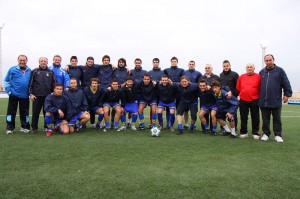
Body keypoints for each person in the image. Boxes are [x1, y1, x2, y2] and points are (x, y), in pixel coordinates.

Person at [259, 54, 292, 143]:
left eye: (270, 60)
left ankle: (278, 135)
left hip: (275, 100)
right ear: (264, 61)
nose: (269, 62)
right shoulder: (261, 72)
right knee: (265, 119)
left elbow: (286, 83)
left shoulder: (280, 71)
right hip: (264, 101)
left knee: (277, 119)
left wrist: (287, 94)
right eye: (267, 60)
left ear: (273, 60)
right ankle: (266, 134)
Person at [4, 55, 31, 134]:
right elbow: (6, 81)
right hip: (14, 95)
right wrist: (9, 91)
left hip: (25, 96)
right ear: (18, 60)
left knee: (25, 112)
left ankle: (24, 126)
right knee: (11, 112)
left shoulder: (29, 70)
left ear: (26, 61)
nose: (22, 61)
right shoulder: (12, 69)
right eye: (21, 60)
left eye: (24, 60)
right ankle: (10, 127)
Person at [29, 57, 56, 133]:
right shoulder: (34, 71)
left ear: (47, 62)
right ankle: (34, 127)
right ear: (39, 62)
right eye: (42, 61)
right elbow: (30, 84)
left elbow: (54, 84)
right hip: (37, 96)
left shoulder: (51, 72)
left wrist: (53, 93)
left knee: (47, 113)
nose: (43, 62)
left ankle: (46, 127)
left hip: (48, 97)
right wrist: (31, 94)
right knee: (35, 113)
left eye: (45, 61)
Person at [236, 63, 261, 139]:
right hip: (243, 100)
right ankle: (244, 132)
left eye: (251, 67)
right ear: (246, 68)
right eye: (248, 67)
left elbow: (260, 88)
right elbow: (238, 88)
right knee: (243, 117)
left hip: (255, 100)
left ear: (254, 68)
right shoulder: (241, 77)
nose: (249, 68)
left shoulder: (258, 76)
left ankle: (255, 132)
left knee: (255, 117)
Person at [219, 60, 239, 134]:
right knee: (222, 113)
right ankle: (224, 129)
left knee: (232, 114)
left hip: (232, 98)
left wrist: (235, 95)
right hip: (223, 98)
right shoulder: (221, 75)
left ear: (230, 66)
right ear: (222, 67)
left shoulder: (234, 74)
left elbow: (238, 86)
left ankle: (234, 129)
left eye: (227, 66)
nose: (226, 67)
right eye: (224, 66)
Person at [182, 60, 202, 129]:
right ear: (188, 65)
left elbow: (200, 83)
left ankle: (194, 123)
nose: (191, 65)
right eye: (190, 64)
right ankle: (186, 124)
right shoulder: (184, 72)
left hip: (194, 95)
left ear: (194, 65)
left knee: (193, 111)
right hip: (185, 95)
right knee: (186, 110)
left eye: (192, 64)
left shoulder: (198, 73)